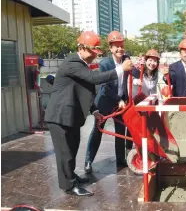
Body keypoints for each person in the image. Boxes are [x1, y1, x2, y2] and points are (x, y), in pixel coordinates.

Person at [44, 31, 133, 196]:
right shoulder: (72, 62)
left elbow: (84, 90)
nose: (94, 56)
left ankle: (71, 176)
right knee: (65, 153)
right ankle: (69, 186)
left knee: (73, 148)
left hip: (70, 116)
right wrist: (120, 68)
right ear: (81, 47)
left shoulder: (82, 64)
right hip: (59, 116)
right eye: (92, 52)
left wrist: (95, 110)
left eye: (95, 52)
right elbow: (93, 79)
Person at [84, 31, 133, 174]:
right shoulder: (105, 64)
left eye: (121, 46)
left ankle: (121, 159)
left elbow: (130, 76)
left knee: (120, 130)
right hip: (105, 101)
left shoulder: (126, 59)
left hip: (120, 101)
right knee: (97, 130)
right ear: (110, 48)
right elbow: (104, 86)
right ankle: (88, 161)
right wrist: (118, 100)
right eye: (116, 46)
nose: (120, 49)